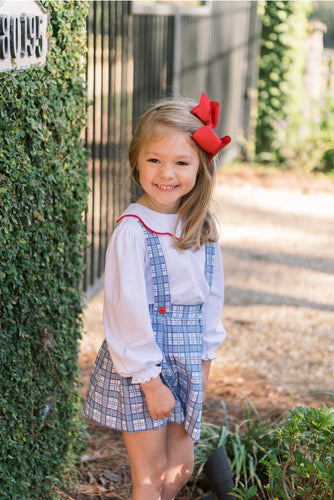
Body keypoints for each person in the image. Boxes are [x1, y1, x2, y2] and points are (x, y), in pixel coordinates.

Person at [84, 92, 231, 500]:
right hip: (143, 366)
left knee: (180, 469)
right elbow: (124, 313)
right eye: (154, 160)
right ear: (136, 161)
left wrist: (204, 365)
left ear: (201, 168)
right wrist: (150, 383)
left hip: (189, 360)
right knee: (150, 476)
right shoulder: (132, 231)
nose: (166, 173)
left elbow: (210, 304)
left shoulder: (201, 228)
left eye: (181, 162)